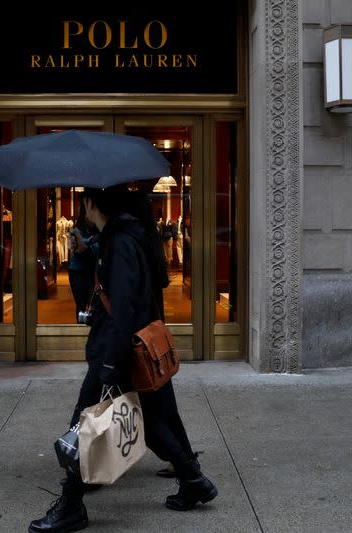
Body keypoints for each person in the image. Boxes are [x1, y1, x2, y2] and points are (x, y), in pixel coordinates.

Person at [29, 186, 217, 533]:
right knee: (152, 422)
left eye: (83, 203)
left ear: (90, 203)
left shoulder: (120, 243)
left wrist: (110, 367)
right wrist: (86, 254)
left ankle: (71, 504)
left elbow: (124, 307)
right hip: (125, 349)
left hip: (116, 352)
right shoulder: (122, 237)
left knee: (83, 424)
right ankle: (193, 480)